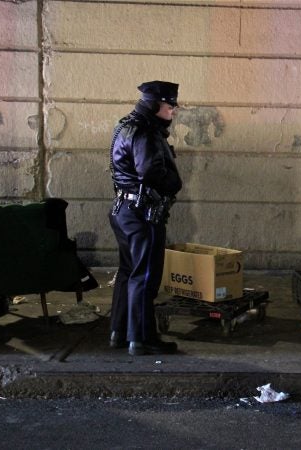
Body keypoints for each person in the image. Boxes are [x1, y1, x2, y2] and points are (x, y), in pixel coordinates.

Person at [108, 80, 183, 356]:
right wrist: (172, 184)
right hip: (142, 215)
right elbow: (150, 171)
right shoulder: (146, 132)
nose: (173, 110)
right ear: (155, 105)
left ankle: (120, 332)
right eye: (169, 104)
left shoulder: (125, 125)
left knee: (128, 273)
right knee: (145, 276)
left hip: (124, 211)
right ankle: (141, 338)